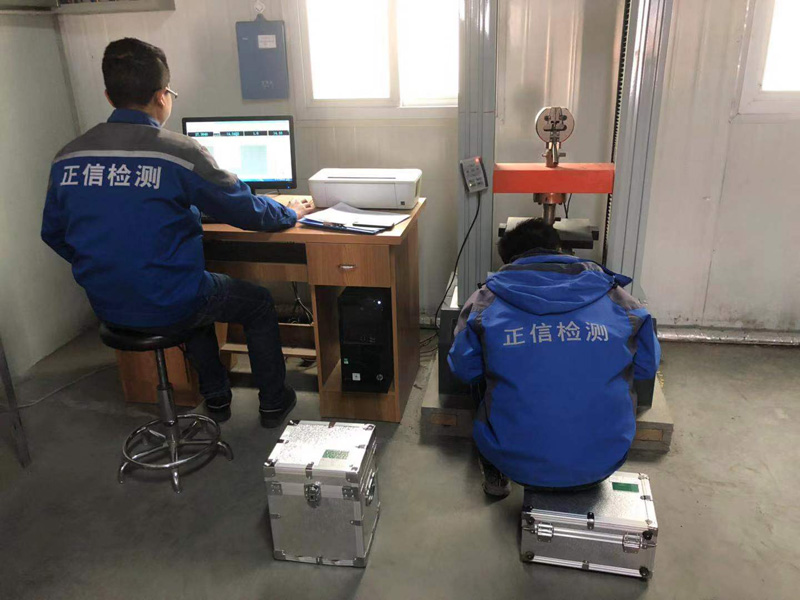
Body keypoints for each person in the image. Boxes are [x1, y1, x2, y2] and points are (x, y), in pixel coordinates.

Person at [40, 38, 314, 428]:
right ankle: (273, 402)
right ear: (162, 96)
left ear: (108, 96)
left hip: (107, 304)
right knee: (254, 302)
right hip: (170, 300)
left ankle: (216, 398)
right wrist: (288, 211)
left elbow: (53, 232)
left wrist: (107, 264)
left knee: (195, 297)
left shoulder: (68, 156)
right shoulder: (177, 151)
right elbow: (246, 210)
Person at [448, 218, 660, 497]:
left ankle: (496, 472)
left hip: (514, 463)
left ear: (508, 259)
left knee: (480, 371)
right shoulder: (620, 300)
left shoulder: (484, 302)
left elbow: (464, 369)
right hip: (606, 460)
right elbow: (646, 368)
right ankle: (582, 455)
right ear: (559, 250)